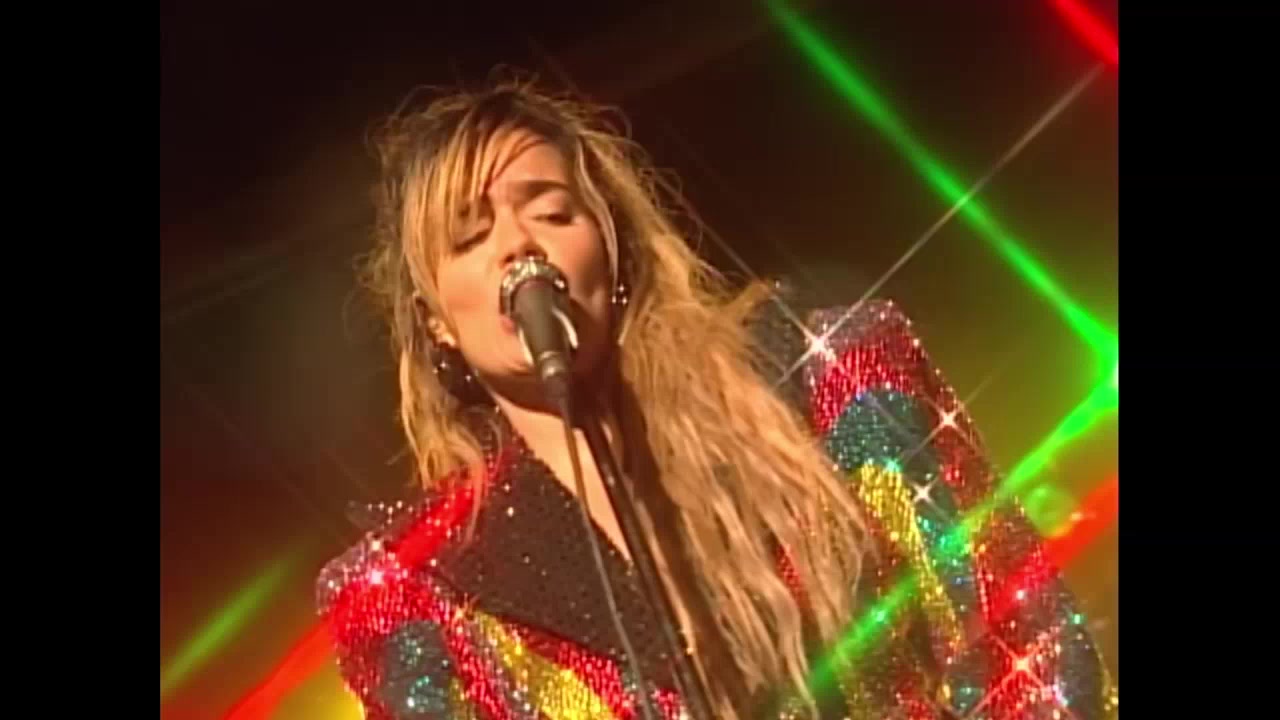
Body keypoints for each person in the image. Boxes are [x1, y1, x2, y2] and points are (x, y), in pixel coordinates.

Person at [316, 76, 1116, 719]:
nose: (519, 244)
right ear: (436, 322)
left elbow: (1028, 649)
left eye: (553, 212)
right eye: (469, 236)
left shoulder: (833, 379)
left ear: (612, 250)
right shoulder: (419, 594)